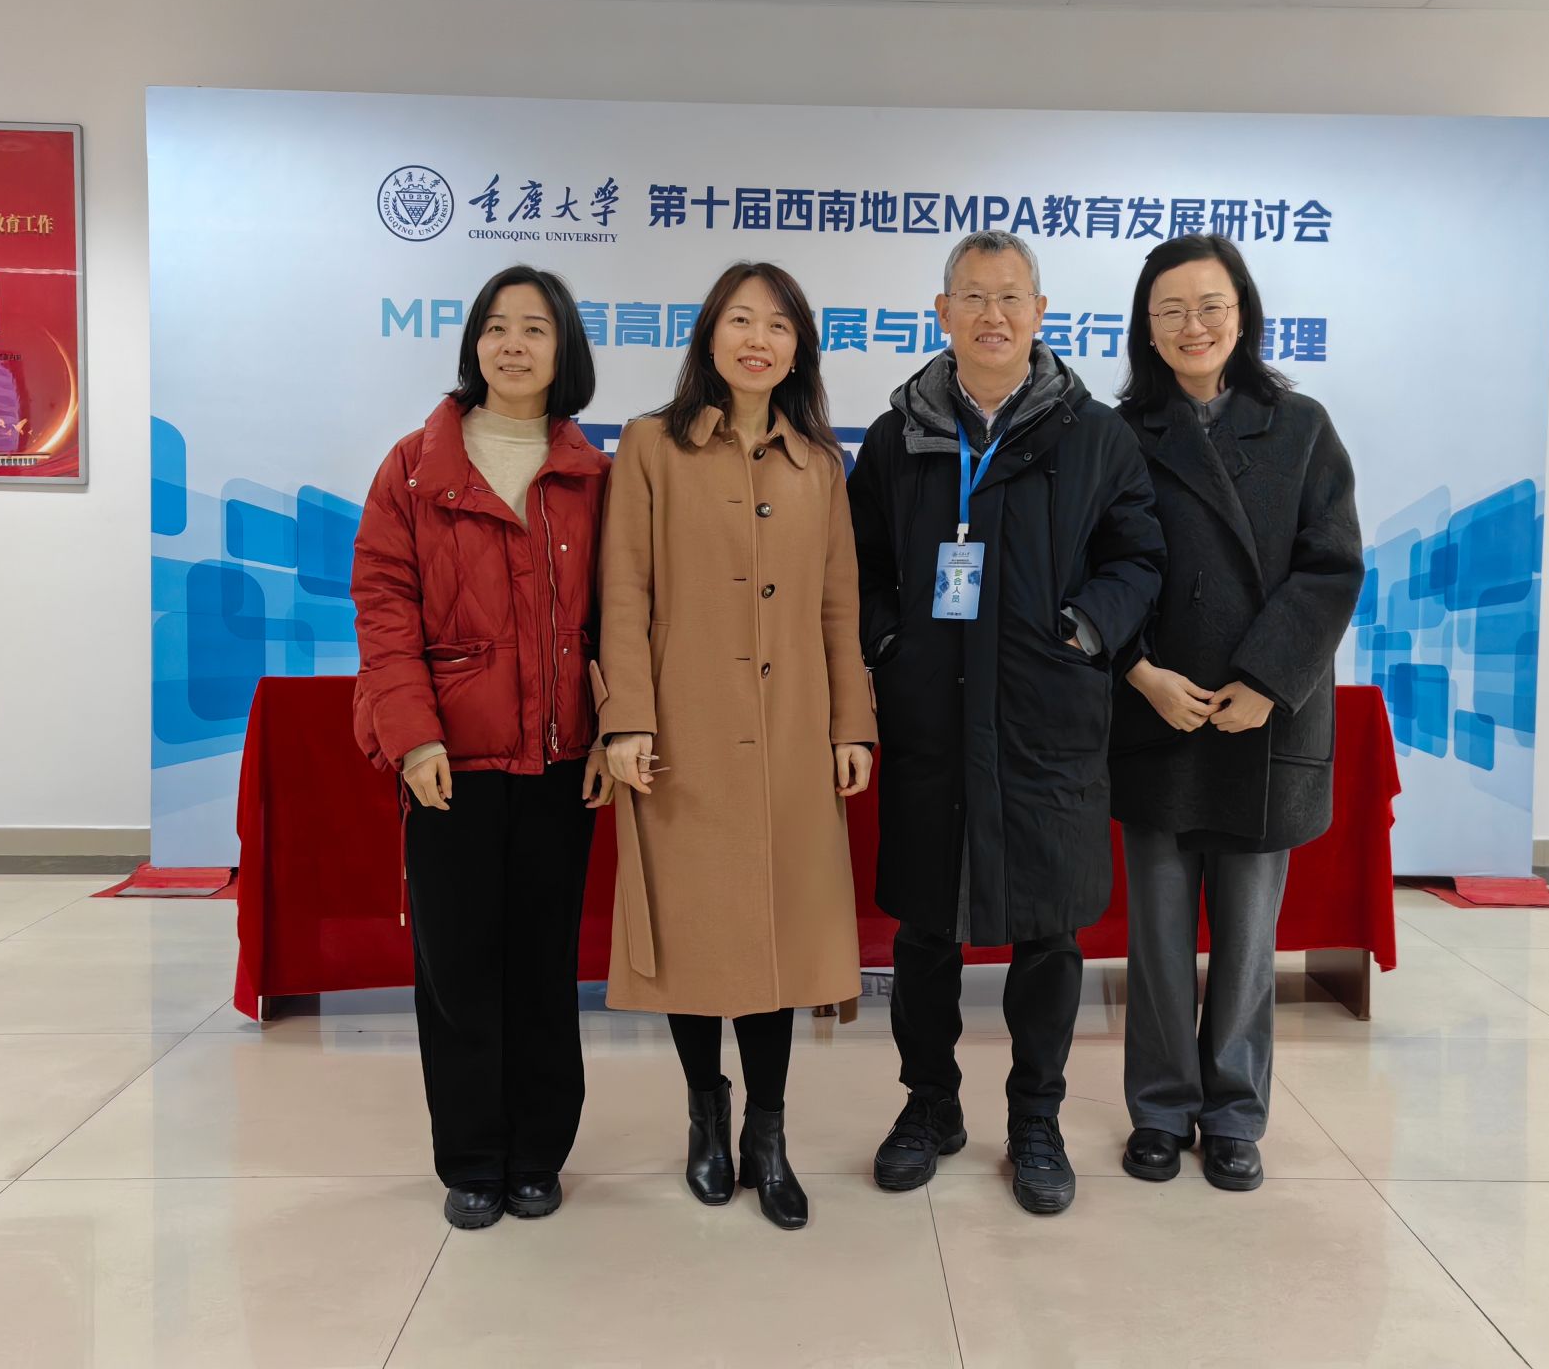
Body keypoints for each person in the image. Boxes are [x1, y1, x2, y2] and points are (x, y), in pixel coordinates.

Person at [848, 231, 1163, 1216]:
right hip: (931, 718)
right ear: (941, 313)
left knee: (1048, 933)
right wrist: (890, 641)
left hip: (1044, 719)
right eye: (973, 298)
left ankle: (1036, 1118)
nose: (993, 315)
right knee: (923, 931)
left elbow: (1138, 558)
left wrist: (1083, 629)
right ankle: (929, 1105)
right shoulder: (896, 437)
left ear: (1040, 313)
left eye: (1010, 297)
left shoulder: (1094, 435)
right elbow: (855, 568)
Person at [595, 261, 876, 1232]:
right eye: (740, 321)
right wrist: (626, 719)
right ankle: (704, 1119)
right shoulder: (649, 447)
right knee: (697, 936)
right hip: (682, 736)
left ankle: (768, 1133)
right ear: (708, 335)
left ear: (799, 349)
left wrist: (850, 725)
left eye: (778, 326)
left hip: (793, 737)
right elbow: (622, 593)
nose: (758, 340)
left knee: (775, 939)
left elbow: (838, 608)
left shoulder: (819, 467)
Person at [350, 265, 614, 1231]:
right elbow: (384, 606)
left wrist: (612, 726)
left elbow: (621, 616)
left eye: (535, 328)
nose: (513, 344)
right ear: (473, 346)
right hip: (449, 765)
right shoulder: (413, 467)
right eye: (496, 327)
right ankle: (470, 1157)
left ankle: (538, 1152)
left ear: (563, 349)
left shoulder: (593, 474)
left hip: (559, 761)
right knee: (458, 968)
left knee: (544, 965)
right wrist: (412, 736)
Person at [1108, 234, 1364, 1193]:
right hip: (1158, 713)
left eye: (1210, 306)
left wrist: (1265, 679)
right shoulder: (1118, 433)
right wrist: (1140, 672)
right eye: (1170, 310)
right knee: (1158, 937)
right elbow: (1094, 569)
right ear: (1146, 327)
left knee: (1250, 940)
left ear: (1244, 314)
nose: (1193, 326)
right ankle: (1159, 1108)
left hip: (1262, 719)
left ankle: (1233, 1115)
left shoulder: (1300, 427)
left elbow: (1330, 567)